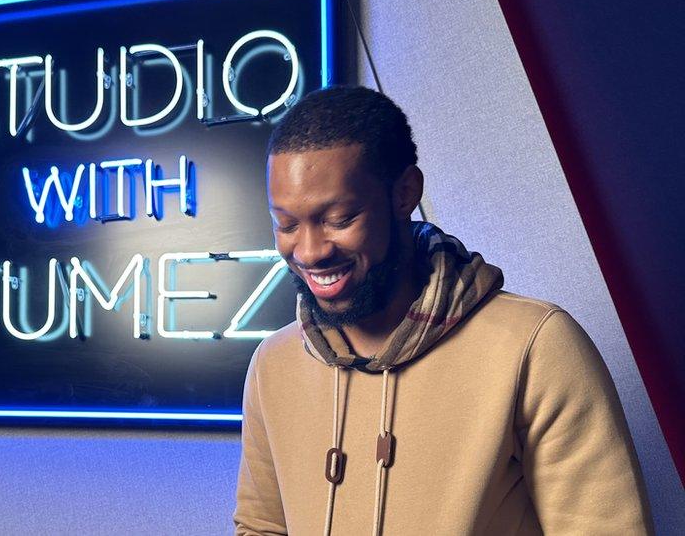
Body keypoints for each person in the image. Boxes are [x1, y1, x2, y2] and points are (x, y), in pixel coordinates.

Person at [233, 86, 654, 535]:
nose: (311, 251)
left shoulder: (535, 345)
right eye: (287, 225)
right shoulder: (273, 364)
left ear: (404, 194)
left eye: (339, 219)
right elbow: (261, 527)